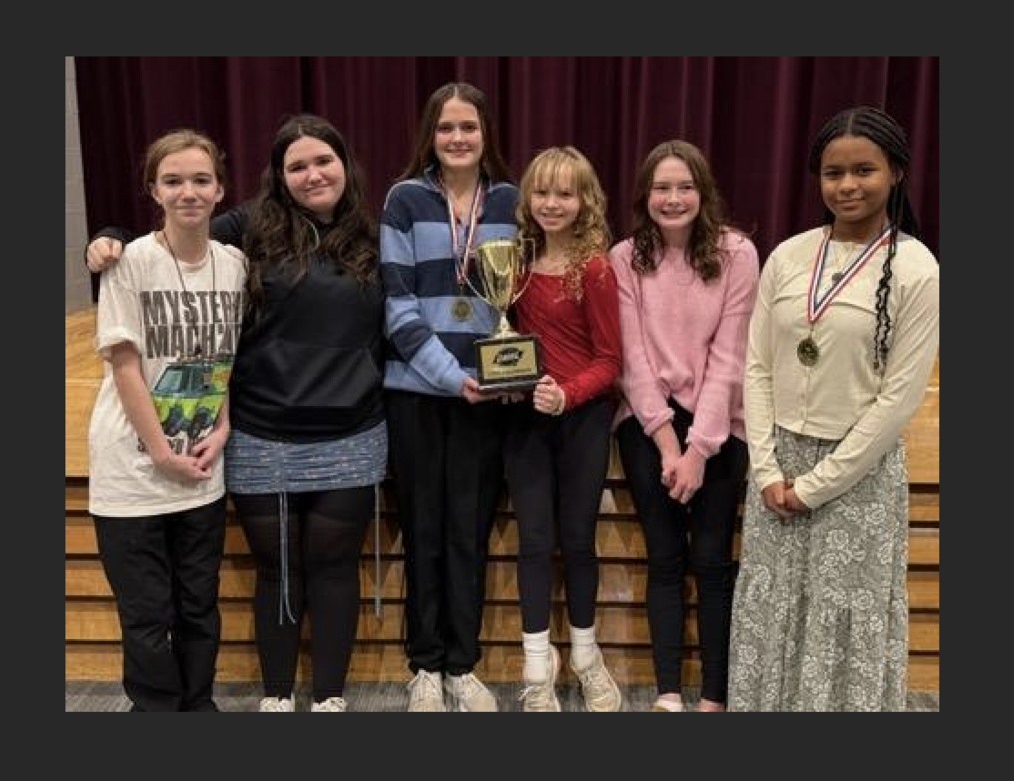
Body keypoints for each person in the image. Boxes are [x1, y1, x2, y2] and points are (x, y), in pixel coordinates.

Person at [85, 114, 386, 713]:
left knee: (332, 569)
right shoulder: (248, 227)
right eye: (295, 165)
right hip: (264, 430)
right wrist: (109, 235)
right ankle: (275, 699)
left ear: (344, 165)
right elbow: (175, 228)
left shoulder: (373, 232)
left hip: (349, 431)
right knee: (277, 571)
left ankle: (328, 700)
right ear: (277, 175)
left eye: (322, 161)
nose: (311, 174)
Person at [727, 106, 940, 711]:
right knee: (774, 613)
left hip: (856, 477)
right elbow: (759, 367)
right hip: (777, 470)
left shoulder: (918, 270)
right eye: (833, 173)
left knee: (841, 620)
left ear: (896, 171)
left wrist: (815, 485)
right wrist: (767, 471)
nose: (847, 185)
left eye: (864, 170)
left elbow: (898, 399)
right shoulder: (789, 256)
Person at [88, 129, 247, 711]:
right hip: (133, 474)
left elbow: (221, 356)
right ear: (153, 190)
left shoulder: (232, 263)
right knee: (149, 617)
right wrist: (158, 450)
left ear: (220, 189)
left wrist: (223, 428)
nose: (189, 192)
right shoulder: (129, 262)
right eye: (174, 180)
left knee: (199, 608)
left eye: (201, 180)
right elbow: (125, 362)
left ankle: (199, 707)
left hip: (202, 467)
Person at [380, 82, 518, 712]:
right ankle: (425, 667)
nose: (457, 138)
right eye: (445, 128)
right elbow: (398, 304)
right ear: (429, 136)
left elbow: (519, 303)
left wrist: (499, 376)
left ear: (486, 133)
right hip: (418, 393)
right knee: (423, 530)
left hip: (488, 398)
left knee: (470, 530)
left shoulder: (513, 201)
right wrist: (448, 375)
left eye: (468, 127)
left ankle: (463, 664)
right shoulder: (404, 200)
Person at [610, 140, 759, 713]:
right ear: (645, 195)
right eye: (662, 188)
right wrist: (668, 441)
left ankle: (714, 698)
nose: (673, 199)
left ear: (703, 192)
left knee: (714, 558)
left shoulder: (738, 253)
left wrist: (698, 450)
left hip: (721, 424)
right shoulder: (626, 257)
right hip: (648, 425)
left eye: (685, 187)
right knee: (666, 557)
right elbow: (632, 359)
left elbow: (730, 358)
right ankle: (669, 692)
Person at [503, 146, 623, 712]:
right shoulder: (513, 265)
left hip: (582, 423)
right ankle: (536, 665)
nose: (552, 203)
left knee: (576, 541)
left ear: (584, 201)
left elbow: (609, 360)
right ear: (528, 197)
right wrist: (509, 380)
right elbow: (507, 345)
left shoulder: (593, 268)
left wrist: (567, 394)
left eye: (565, 193)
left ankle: (585, 656)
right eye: (542, 192)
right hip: (525, 421)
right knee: (533, 541)